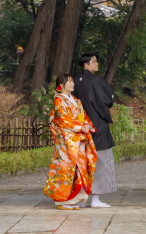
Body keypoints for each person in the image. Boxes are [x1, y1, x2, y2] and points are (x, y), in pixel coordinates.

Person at [44, 74, 97, 210]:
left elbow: (83, 116)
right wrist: (80, 127)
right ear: (61, 85)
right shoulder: (59, 101)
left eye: (73, 81)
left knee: (79, 169)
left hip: (77, 139)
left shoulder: (76, 100)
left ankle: (73, 199)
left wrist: (86, 125)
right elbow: (62, 120)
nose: (72, 84)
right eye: (69, 81)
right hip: (66, 141)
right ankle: (61, 201)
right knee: (65, 169)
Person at [73, 53, 117, 208]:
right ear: (86, 64)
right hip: (96, 125)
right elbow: (108, 99)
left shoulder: (74, 82)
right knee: (100, 162)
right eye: (94, 62)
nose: (97, 64)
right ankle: (95, 199)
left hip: (80, 127)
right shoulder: (96, 81)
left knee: (81, 163)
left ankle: (80, 198)